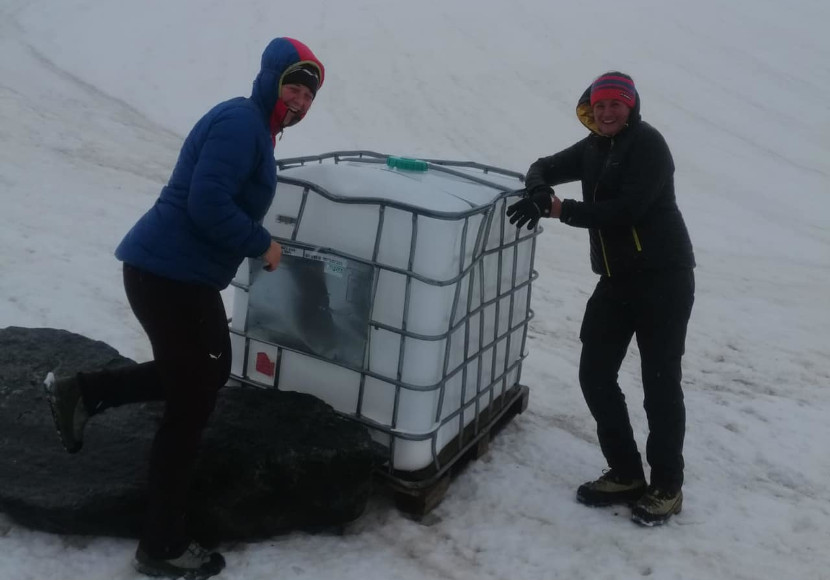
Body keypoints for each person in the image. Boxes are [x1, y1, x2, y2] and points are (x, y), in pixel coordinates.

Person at [43, 37, 324, 577]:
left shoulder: (254, 128)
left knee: (203, 373)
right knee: (192, 400)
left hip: (174, 275)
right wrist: (261, 243)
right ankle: (161, 543)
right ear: (272, 79)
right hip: (167, 275)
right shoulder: (241, 123)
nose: (300, 100)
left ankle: (83, 392)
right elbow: (206, 202)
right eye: (294, 86)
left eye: (309, 95)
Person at [507, 72, 695, 526]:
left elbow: (626, 210)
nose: (607, 112)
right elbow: (541, 166)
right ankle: (626, 472)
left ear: (631, 107)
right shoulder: (593, 146)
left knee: (659, 383)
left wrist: (560, 210)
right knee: (594, 373)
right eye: (600, 105)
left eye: (616, 104)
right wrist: (539, 192)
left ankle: (667, 485)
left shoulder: (648, 145)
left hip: (664, 279)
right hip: (615, 282)